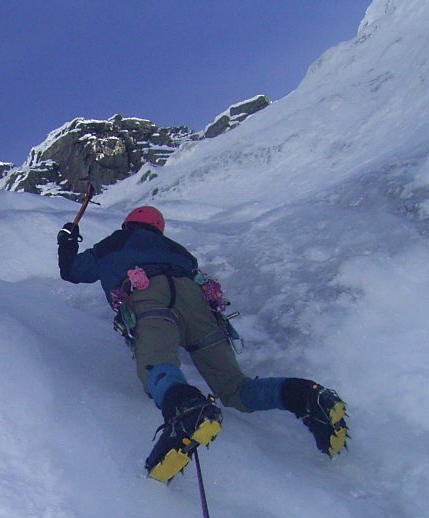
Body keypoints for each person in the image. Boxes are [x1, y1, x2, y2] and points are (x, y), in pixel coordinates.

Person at [57, 205, 348, 482]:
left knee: (158, 367)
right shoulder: (178, 251)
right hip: (197, 302)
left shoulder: (115, 243)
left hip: (149, 296)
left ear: (128, 224)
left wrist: (67, 241)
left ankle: (187, 412)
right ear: (158, 229)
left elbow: (72, 271)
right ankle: (306, 397)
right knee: (236, 389)